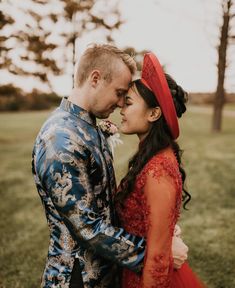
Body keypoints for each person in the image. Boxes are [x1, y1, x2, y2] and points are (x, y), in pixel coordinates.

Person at [32, 44, 188, 288]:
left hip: (108, 271)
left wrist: (160, 228)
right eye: (118, 93)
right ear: (95, 78)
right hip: (78, 276)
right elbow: (87, 228)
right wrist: (157, 251)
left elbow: (106, 204)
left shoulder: (88, 125)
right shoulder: (60, 139)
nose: (119, 103)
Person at [115, 52, 205, 287]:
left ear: (154, 113)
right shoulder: (151, 155)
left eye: (128, 103)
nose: (120, 108)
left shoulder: (159, 169)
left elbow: (157, 257)